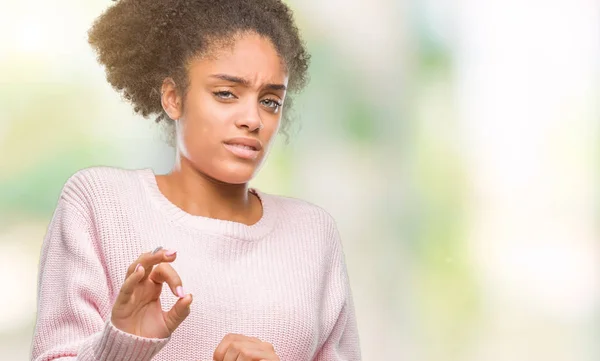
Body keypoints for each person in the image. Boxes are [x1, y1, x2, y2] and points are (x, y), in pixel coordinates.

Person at [30, 0, 361, 360]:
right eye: (226, 94)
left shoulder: (312, 233)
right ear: (173, 97)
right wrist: (123, 344)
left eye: (270, 101)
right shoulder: (100, 204)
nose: (253, 119)